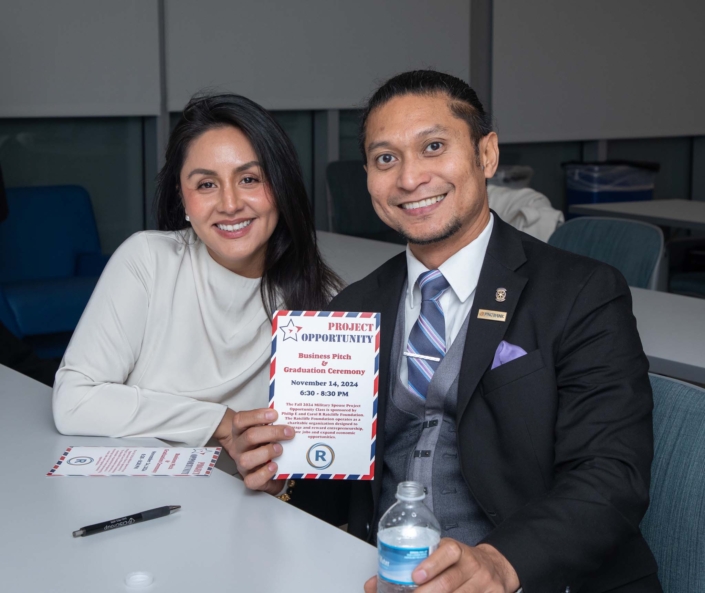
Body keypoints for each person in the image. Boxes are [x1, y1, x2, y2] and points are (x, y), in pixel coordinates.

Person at [229, 71, 660, 592]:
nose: (409, 178)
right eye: (386, 159)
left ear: (487, 155)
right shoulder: (352, 309)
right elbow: (340, 493)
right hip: (386, 576)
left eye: (433, 147)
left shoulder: (581, 292)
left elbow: (612, 478)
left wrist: (501, 564)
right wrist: (287, 474)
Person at [53, 94, 340, 468]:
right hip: (134, 499)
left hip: (246, 512)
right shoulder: (148, 261)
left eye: (249, 179)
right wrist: (221, 423)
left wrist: (281, 480)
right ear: (182, 197)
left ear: (281, 187)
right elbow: (73, 401)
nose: (230, 203)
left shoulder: (323, 301)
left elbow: (320, 456)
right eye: (206, 185)